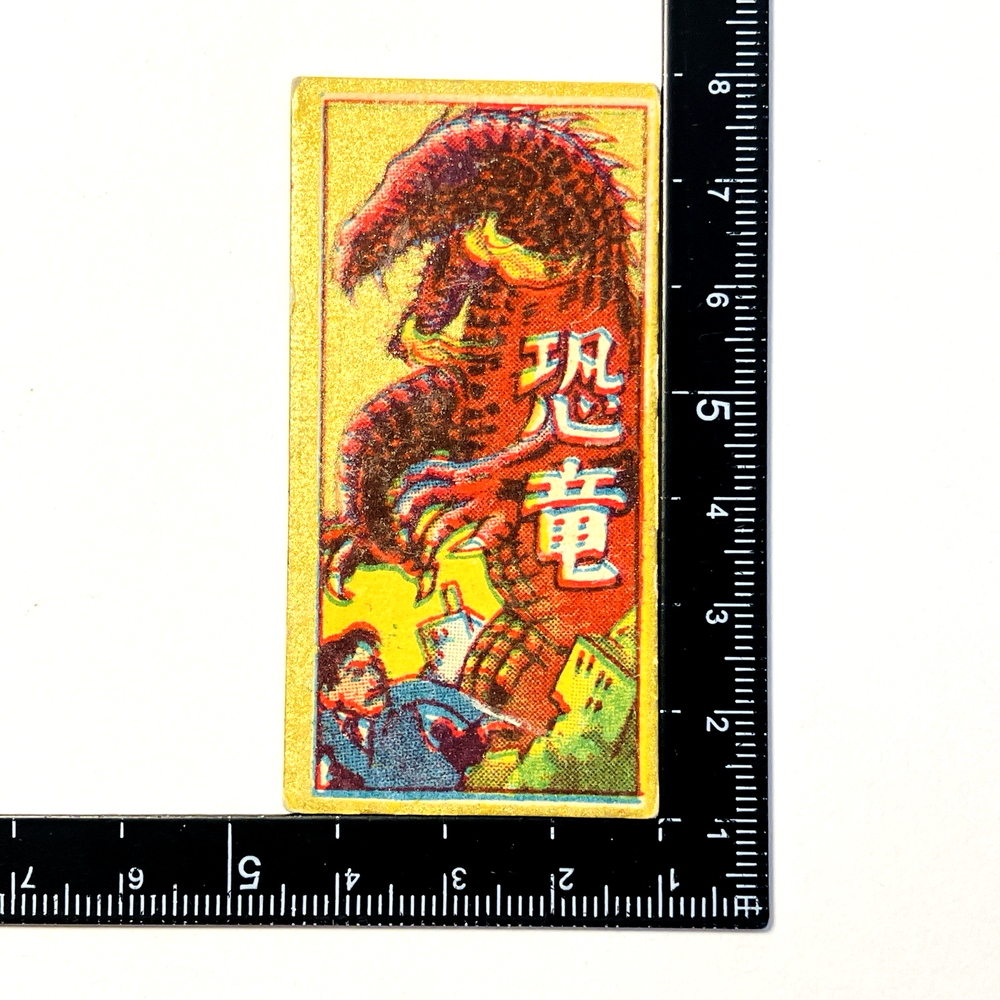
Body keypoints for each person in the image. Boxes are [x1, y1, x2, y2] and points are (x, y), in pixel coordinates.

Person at [314, 627, 501, 791]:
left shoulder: (412, 695)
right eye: (356, 673)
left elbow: (486, 719)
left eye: (375, 665)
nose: (374, 678)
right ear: (328, 693)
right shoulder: (322, 732)